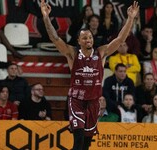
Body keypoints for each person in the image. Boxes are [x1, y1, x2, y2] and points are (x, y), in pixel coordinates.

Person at [41, 1, 139, 149]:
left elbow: (120, 40)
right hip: (76, 100)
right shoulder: (72, 53)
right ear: (79, 41)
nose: (88, 40)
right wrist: (46, 17)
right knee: (78, 140)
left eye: (90, 37)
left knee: (86, 144)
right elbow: (55, 38)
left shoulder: (101, 52)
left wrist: (130, 18)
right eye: (85, 38)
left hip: (93, 101)